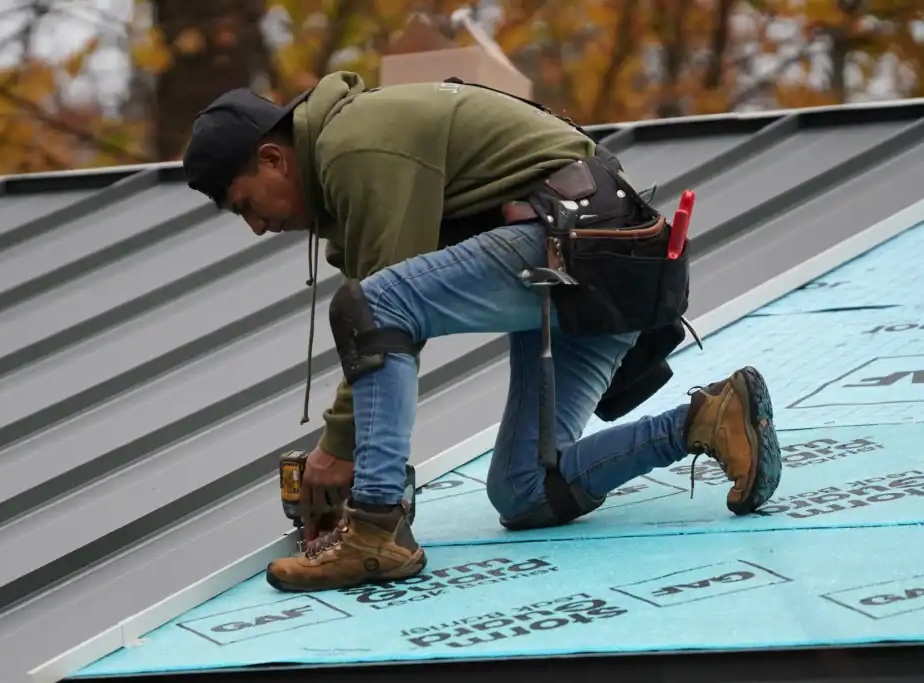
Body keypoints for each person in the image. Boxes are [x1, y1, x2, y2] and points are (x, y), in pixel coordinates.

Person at [181, 71, 783, 594]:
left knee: (371, 303)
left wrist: (339, 452)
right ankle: (708, 420)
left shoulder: (353, 144)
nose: (257, 226)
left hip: (579, 247)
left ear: (272, 158)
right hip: (607, 267)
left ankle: (375, 527)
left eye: (244, 205)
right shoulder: (349, 167)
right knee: (525, 492)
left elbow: (380, 309)